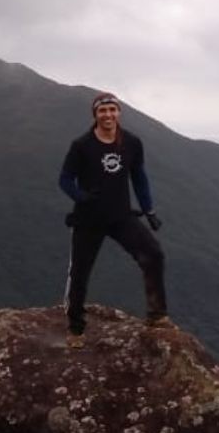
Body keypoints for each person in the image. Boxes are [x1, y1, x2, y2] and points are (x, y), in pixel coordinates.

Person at [58, 92, 167, 347]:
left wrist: (149, 210)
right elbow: (65, 179)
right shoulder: (82, 145)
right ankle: (75, 329)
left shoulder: (131, 143)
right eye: (102, 110)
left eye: (112, 109)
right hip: (88, 218)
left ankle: (157, 315)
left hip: (121, 215)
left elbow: (139, 177)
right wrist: (81, 197)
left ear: (119, 112)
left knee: (154, 254)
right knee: (80, 273)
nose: (108, 114)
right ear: (95, 115)